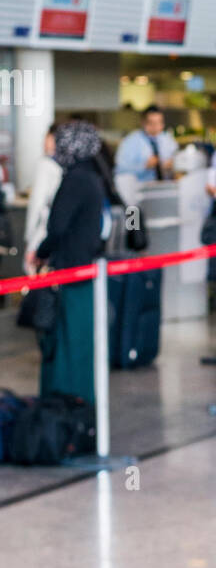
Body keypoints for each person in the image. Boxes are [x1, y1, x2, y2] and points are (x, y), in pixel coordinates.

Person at [35, 121, 111, 403]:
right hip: (88, 267)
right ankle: (81, 405)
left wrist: (40, 252)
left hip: (69, 270)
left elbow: (57, 227)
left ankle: (66, 404)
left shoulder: (74, 180)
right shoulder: (95, 176)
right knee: (80, 341)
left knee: (67, 341)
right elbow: (125, 210)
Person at [24, 123, 62, 273]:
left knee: (35, 278)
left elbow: (37, 204)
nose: (44, 142)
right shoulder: (70, 165)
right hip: (60, 236)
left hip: (43, 232)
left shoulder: (45, 164)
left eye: (47, 137)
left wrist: (29, 237)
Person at [115, 106, 177, 183]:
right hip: (140, 187)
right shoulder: (130, 141)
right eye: (151, 123)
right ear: (143, 123)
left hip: (166, 184)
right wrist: (144, 166)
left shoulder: (167, 139)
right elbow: (120, 170)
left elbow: (177, 159)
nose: (156, 127)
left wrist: (173, 164)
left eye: (159, 122)